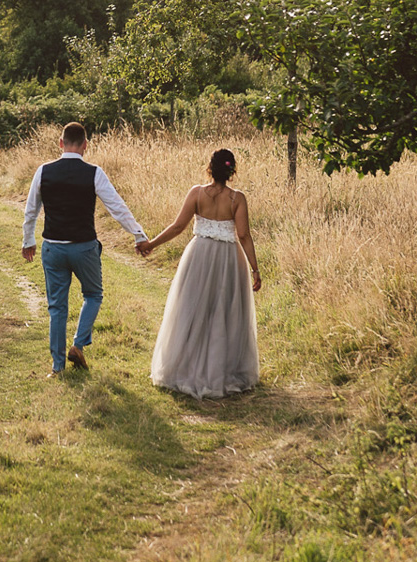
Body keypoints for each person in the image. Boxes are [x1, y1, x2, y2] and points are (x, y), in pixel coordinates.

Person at [20, 122, 150, 377]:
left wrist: (28, 241)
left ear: (60, 143)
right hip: (84, 249)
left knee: (57, 307)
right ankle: (78, 345)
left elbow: (31, 209)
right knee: (93, 295)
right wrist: (139, 235)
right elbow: (117, 207)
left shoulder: (43, 171)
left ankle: (57, 367)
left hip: (53, 248)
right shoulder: (94, 173)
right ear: (85, 145)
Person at [141, 147, 261, 398]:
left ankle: (184, 366)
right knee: (223, 313)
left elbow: (177, 227)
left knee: (191, 310)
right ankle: (220, 371)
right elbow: (243, 235)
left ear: (210, 167)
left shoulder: (196, 193)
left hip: (199, 256)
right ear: (232, 171)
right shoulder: (237, 199)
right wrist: (255, 268)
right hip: (229, 261)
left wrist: (151, 244)